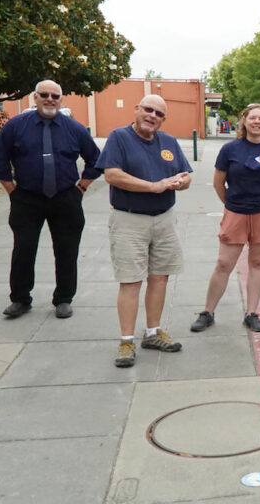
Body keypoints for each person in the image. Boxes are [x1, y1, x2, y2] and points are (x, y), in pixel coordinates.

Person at [95, 95, 192, 368]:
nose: (152, 116)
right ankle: (126, 341)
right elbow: (112, 175)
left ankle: (153, 332)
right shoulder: (119, 137)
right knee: (130, 281)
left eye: (159, 113)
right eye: (148, 109)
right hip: (129, 220)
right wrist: (153, 186)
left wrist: (180, 181)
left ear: (163, 119)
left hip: (164, 219)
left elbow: (186, 175)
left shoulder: (169, 142)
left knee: (159, 277)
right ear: (136, 109)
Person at [0, 79, 101, 319]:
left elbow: (96, 160)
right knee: (23, 249)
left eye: (55, 96)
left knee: (67, 250)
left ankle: (63, 298)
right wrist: (13, 192)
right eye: (44, 95)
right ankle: (20, 299)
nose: (50, 99)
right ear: (35, 97)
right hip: (27, 200)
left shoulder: (75, 129)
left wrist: (81, 188)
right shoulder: (15, 127)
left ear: (61, 100)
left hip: (65, 199)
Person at [190, 103, 260, 334]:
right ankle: (208, 312)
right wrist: (232, 205)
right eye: (252, 118)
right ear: (244, 121)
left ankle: (252, 313)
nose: (257, 122)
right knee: (224, 263)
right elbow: (218, 183)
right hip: (236, 213)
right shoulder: (230, 149)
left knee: (257, 263)